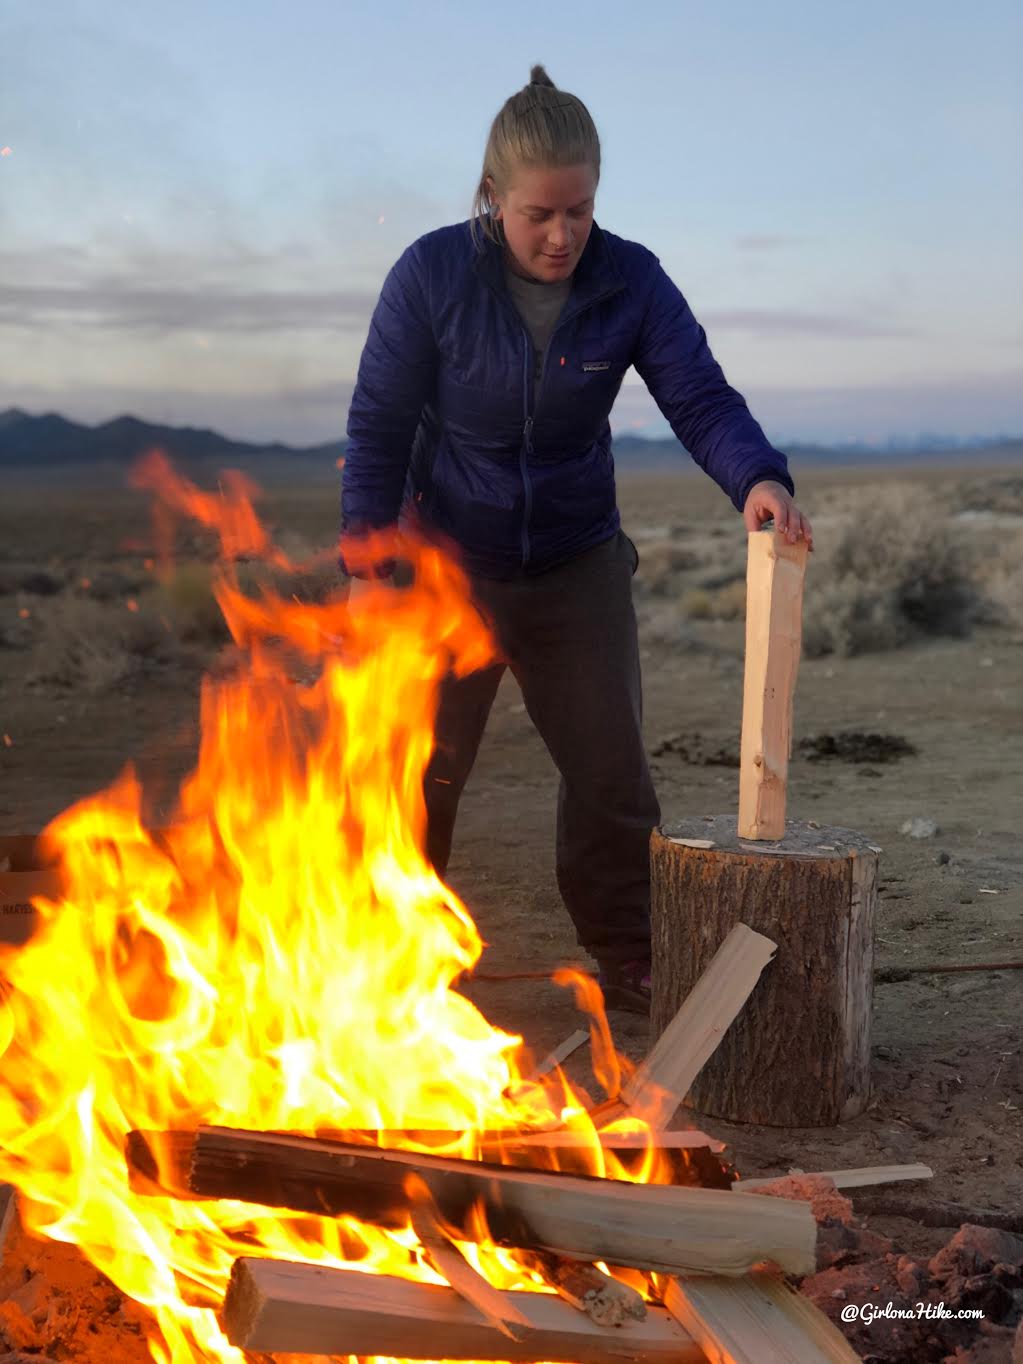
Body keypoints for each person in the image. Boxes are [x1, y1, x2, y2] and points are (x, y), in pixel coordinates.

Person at [341, 64, 813, 1013]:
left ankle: (631, 952)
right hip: (445, 567)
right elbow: (378, 430)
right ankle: (391, 965)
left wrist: (757, 477)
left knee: (610, 774)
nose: (561, 236)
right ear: (492, 201)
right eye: (538, 215)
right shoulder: (432, 275)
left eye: (580, 212)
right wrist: (368, 564)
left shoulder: (628, 279)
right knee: (413, 775)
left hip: (574, 560)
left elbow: (698, 397)